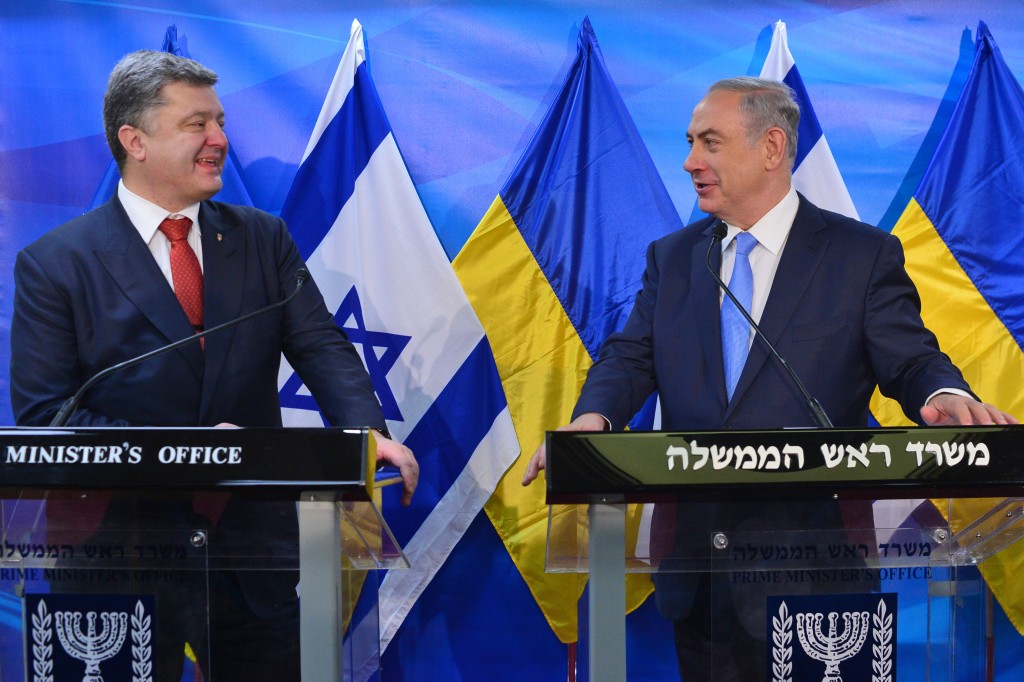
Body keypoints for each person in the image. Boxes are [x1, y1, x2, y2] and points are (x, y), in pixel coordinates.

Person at [522, 77, 1017, 679]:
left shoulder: (859, 256)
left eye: (709, 143)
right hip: (700, 580)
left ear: (772, 148)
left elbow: (909, 358)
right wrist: (592, 420)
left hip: (816, 577)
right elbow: (631, 357)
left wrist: (944, 394)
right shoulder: (674, 258)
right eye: (689, 143)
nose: (690, 162)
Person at [10, 50, 418, 680]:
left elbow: (318, 343)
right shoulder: (56, 263)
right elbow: (46, 419)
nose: (220, 139)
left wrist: (366, 431)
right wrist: (188, 448)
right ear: (135, 141)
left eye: (220, 122)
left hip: (249, 551)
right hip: (117, 553)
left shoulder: (262, 238)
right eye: (197, 124)